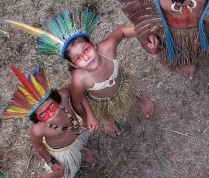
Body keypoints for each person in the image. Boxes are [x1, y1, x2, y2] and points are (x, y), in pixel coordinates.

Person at [10, 9, 155, 136]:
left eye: (86, 49)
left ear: (94, 44)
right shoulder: (79, 79)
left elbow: (121, 32)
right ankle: (108, 120)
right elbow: (77, 102)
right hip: (102, 102)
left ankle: (139, 98)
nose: (86, 58)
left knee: (131, 91)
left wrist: (144, 33)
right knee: (106, 113)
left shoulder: (107, 49)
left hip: (123, 84)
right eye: (78, 58)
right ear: (73, 64)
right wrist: (88, 117)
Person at [3, 65, 94, 178]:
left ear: (55, 99)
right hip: (62, 152)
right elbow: (38, 146)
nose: (51, 114)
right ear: (37, 118)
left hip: (77, 136)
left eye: (51, 106)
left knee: (79, 147)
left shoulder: (64, 96)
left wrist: (89, 115)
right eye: (43, 114)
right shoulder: (38, 129)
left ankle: (81, 153)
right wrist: (51, 162)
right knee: (66, 170)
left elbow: (77, 90)